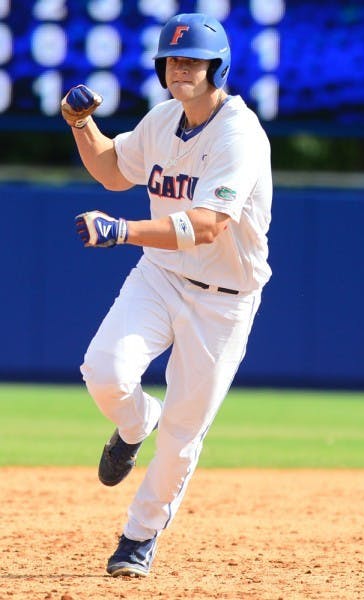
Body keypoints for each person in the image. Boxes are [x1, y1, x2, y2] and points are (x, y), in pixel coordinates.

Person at [61, 12, 272, 578]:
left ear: (216, 68)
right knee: (104, 371)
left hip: (225, 299)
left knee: (183, 432)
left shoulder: (239, 134)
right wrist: (81, 124)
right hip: (160, 274)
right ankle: (135, 422)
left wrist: (122, 230)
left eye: (193, 60)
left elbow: (207, 225)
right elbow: (111, 170)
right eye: (173, 59)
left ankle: (138, 536)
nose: (181, 67)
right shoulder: (163, 120)